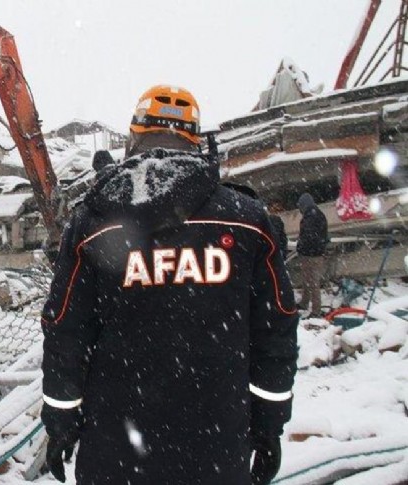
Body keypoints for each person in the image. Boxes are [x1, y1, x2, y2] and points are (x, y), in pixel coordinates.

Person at [40, 85, 299, 484]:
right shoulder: (246, 220)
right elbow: (276, 327)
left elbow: (66, 330)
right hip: (216, 446)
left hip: (116, 448)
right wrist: (269, 424)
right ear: (196, 141)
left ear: (134, 137)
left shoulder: (92, 222)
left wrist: (60, 417)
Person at [296, 192, 328, 317]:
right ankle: (304, 303)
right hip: (316, 253)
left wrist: (301, 247)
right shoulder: (318, 215)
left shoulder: (311, 216)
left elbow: (307, 236)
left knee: (313, 283)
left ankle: (316, 310)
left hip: (311, 254)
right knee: (308, 281)